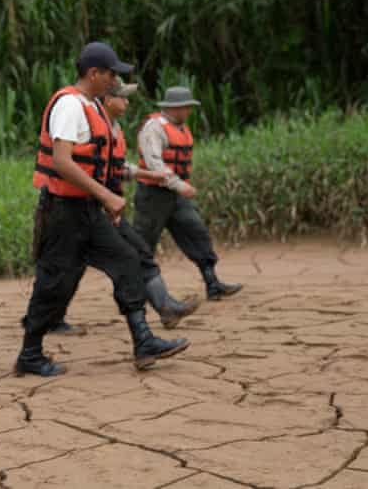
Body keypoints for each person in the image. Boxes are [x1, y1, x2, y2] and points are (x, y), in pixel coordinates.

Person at [18, 42, 190, 377]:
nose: (114, 80)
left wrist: (103, 201)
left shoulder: (93, 107)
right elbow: (62, 162)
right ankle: (29, 353)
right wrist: (107, 197)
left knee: (127, 260)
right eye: (111, 73)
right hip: (62, 212)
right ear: (94, 73)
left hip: (87, 209)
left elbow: (98, 164)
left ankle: (144, 341)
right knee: (55, 283)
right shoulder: (69, 105)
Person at [48, 78, 200, 336]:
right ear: (108, 100)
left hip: (101, 209)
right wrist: (106, 199)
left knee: (134, 256)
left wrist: (147, 175)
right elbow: (80, 167)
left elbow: (116, 168)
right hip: (83, 210)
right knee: (67, 268)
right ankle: (40, 333)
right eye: (122, 97)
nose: (127, 102)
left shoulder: (112, 128)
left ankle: (160, 312)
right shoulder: (91, 124)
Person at [133, 86, 243, 300]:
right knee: (143, 244)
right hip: (153, 195)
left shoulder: (181, 128)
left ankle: (212, 283)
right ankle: (136, 293)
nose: (188, 112)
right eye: (186, 108)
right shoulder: (154, 128)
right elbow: (154, 162)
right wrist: (179, 185)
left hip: (174, 195)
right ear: (175, 108)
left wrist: (178, 188)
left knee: (196, 232)